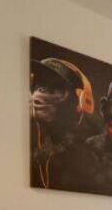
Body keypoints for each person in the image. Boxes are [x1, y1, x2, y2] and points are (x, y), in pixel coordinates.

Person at [29, 57, 100, 190]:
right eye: (38, 85)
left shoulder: (89, 157)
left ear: (81, 101)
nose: (39, 92)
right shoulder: (37, 146)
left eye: (55, 88)